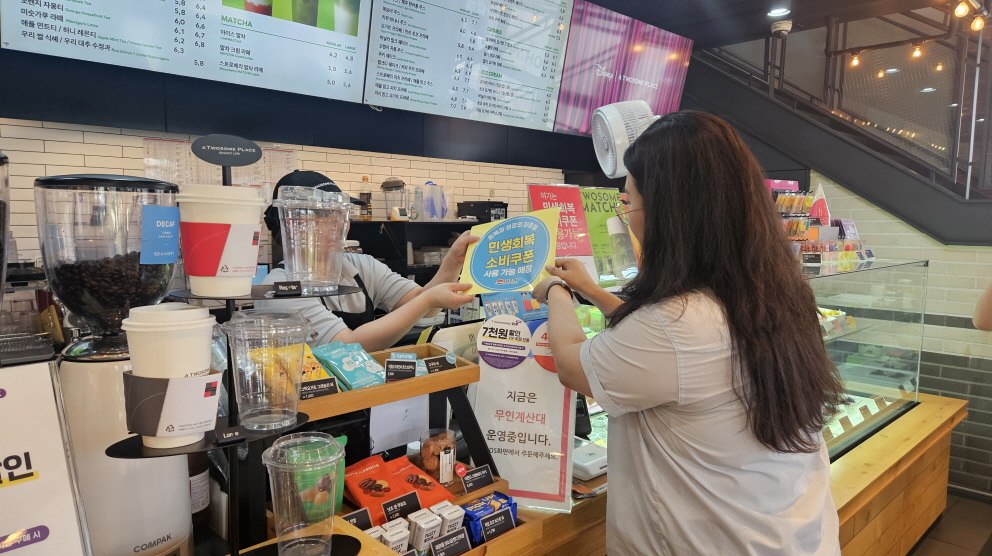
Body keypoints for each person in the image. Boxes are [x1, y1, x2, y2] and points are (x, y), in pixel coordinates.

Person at [532, 111, 845, 555]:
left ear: (670, 214)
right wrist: (593, 291)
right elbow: (682, 356)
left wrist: (555, 292)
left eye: (630, 203)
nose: (629, 218)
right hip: (793, 535)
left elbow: (571, 363)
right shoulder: (775, 292)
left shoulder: (675, 323)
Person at [255, 170, 476, 351]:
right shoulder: (279, 289)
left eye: (342, 213)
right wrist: (427, 300)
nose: (339, 224)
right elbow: (346, 346)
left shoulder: (361, 265)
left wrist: (453, 262)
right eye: (324, 214)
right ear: (291, 222)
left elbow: (424, 308)